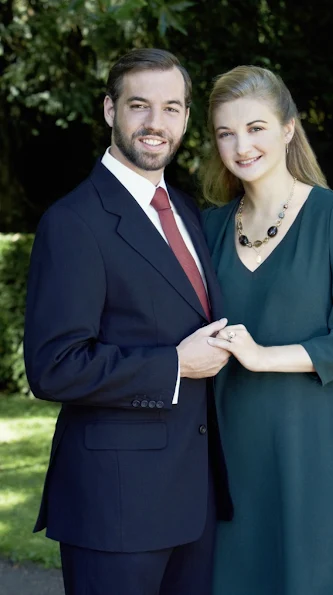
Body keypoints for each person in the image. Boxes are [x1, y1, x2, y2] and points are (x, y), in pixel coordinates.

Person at [24, 48, 233, 595]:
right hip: (114, 507)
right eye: (139, 105)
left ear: (187, 118)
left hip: (195, 499)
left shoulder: (185, 211)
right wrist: (175, 365)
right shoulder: (73, 221)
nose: (155, 123)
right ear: (109, 110)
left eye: (171, 108)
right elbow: (53, 367)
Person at [201, 65, 333, 595]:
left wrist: (262, 355)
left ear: (287, 129)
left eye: (255, 127)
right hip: (229, 454)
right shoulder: (208, 226)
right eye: (225, 133)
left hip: (312, 451)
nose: (241, 145)